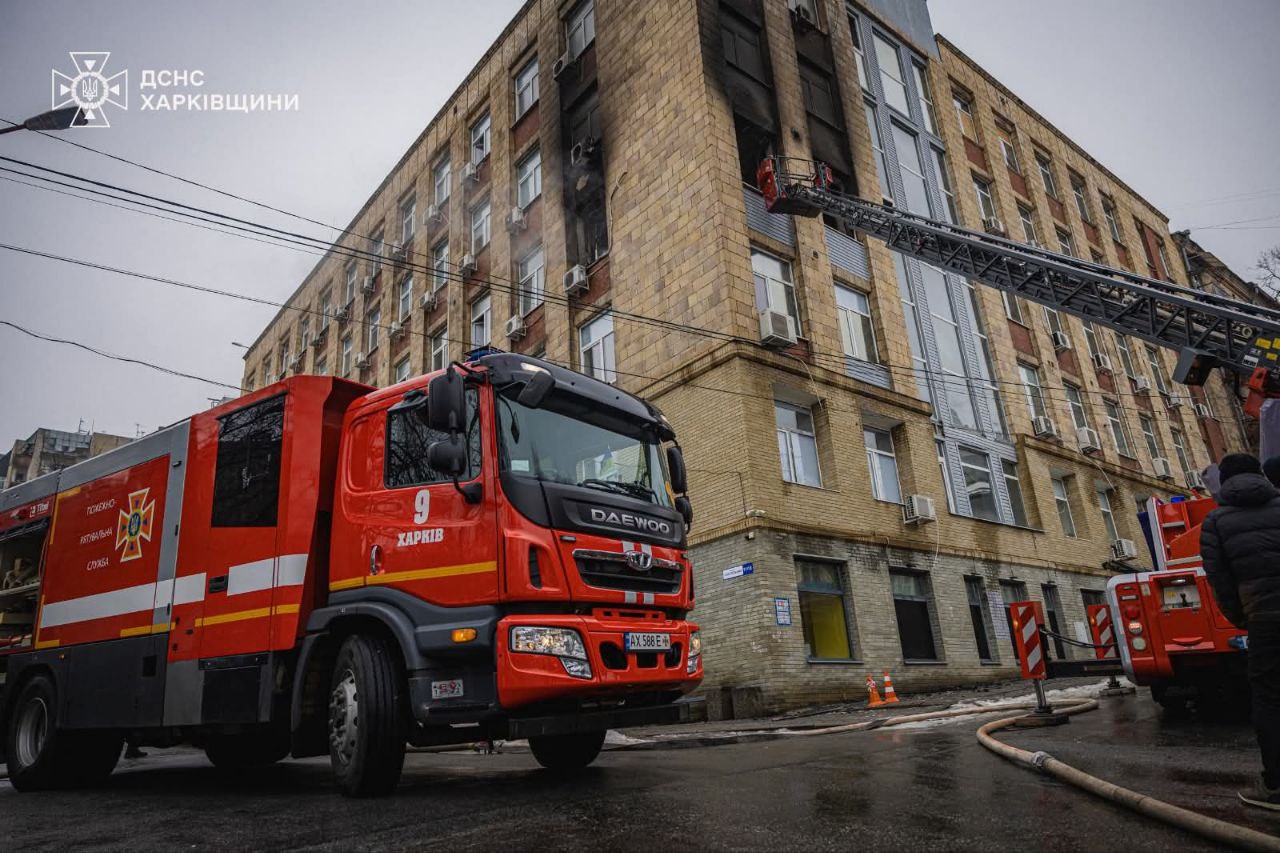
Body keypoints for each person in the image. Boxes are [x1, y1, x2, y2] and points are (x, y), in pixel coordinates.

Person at [1201, 452, 1280, 810]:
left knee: (1269, 699)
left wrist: (1244, 619)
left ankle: (1276, 787)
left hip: (1264, 619)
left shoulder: (1216, 521)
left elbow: (1221, 582)